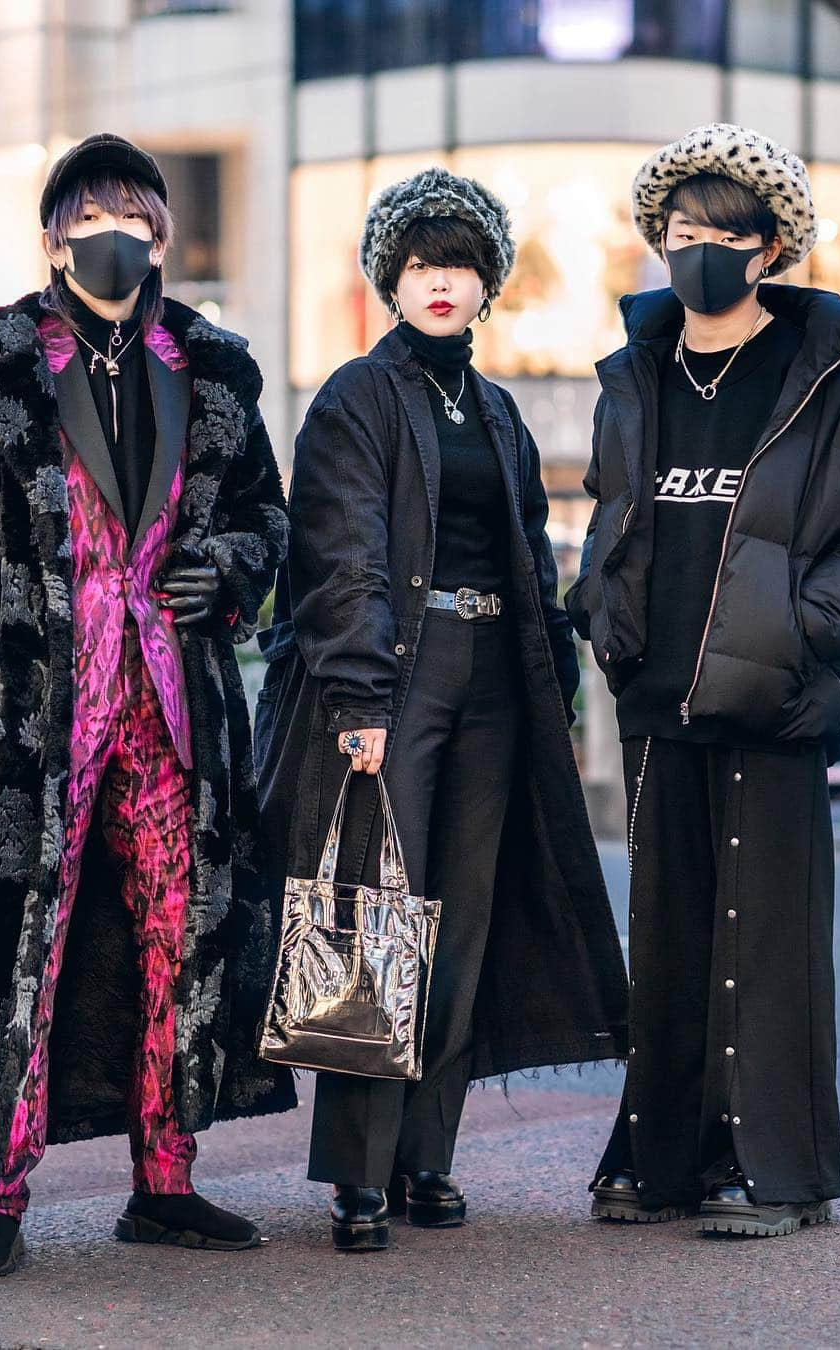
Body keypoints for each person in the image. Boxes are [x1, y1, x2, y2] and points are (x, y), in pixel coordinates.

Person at [0, 132, 296, 1278]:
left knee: (183, 933)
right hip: (35, 717)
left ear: (164, 235)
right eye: (86, 217)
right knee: (22, 939)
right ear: (50, 236)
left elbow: (268, 520)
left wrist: (224, 562)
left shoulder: (215, 371)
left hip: (173, 705)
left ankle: (165, 1180)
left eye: (131, 214)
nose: (110, 235)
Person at [566, 123, 840, 1237]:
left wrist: (809, 627)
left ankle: (774, 1173)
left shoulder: (826, 387)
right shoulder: (638, 375)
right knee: (670, 936)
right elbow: (612, 511)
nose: (700, 253)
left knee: (767, 942)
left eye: (726, 235)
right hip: (659, 701)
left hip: (774, 704)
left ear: (770, 249)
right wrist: (607, 607)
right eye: (682, 233)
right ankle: (659, 1158)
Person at [256, 166, 628, 1253]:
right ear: (390, 279)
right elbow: (339, 556)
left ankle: (429, 1160)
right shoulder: (355, 397)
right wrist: (362, 696)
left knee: (461, 920)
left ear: (487, 284)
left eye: (459, 265)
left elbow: (528, 560)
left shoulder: (500, 411)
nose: (439, 283)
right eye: (420, 264)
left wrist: (551, 687)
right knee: (379, 921)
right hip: (397, 676)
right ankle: (358, 1177)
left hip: (494, 685)